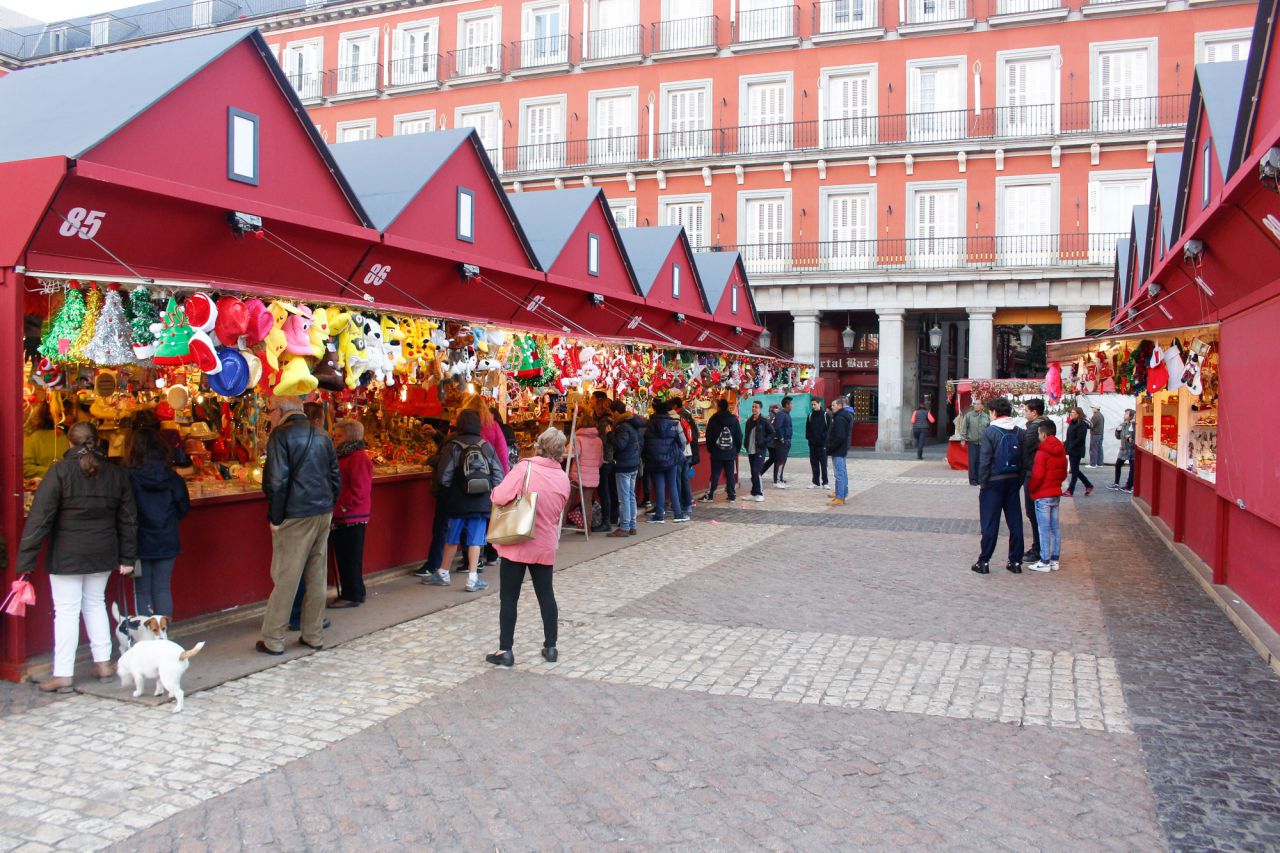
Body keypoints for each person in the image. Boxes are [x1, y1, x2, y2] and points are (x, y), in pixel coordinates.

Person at [19, 422, 137, 692]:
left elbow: (40, 518)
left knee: (67, 612)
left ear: (69, 443)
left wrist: (25, 561)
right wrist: (128, 557)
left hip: (67, 553)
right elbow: (129, 519)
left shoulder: (60, 471)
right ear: (97, 441)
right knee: (96, 604)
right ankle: (104, 663)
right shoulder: (115, 474)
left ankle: (63, 673)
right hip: (103, 550)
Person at [257, 396, 341, 656]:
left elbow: (277, 480)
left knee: (286, 578)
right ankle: (313, 634)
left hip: (295, 513)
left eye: (270, 410)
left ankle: (274, 638)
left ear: (280, 411)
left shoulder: (281, 435)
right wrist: (327, 503)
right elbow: (335, 476)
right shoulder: (322, 435)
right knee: (317, 576)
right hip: (321, 511)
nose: (269, 415)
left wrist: (276, 517)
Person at [485, 428, 573, 667]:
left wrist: (494, 493)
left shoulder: (526, 468)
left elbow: (501, 495)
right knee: (546, 595)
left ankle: (506, 650)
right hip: (544, 544)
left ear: (539, 445)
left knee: (509, 598)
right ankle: (551, 646)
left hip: (518, 541)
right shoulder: (563, 477)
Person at [424, 408, 504, 591]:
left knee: (452, 538)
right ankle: (473, 579)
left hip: (457, 502)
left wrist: (454, 489)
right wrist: (489, 491)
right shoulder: (486, 446)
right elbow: (499, 475)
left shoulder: (454, 446)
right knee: (476, 540)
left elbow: (444, 477)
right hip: (481, 502)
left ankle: (443, 573)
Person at [126, 428, 190, 617]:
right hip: (167, 538)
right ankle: (163, 636)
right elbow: (183, 507)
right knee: (162, 588)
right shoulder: (173, 478)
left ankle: (146, 640)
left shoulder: (128, 477)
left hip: (139, 541)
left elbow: (124, 511)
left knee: (142, 591)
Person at [973, 397, 1025, 575]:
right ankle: (1016, 561)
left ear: (994, 412)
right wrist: (1019, 481)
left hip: (994, 481)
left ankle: (984, 561)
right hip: (1013, 479)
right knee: (1015, 521)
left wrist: (983, 483)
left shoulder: (990, 431)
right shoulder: (1020, 431)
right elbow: (1024, 461)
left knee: (990, 522)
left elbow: (984, 460)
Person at [327, 418, 373, 608]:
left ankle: (351, 594)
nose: (335, 439)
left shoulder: (358, 458)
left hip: (351, 515)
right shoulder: (345, 456)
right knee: (346, 555)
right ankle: (355, 591)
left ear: (349, 437)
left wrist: (343, 507)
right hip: (344, 513)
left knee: (349, 556)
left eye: (339, 436)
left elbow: (359, 490)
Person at [1027, 420, 1067, 572]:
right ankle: (1054, 559)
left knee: (1043, 528)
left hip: (1043, 493)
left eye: (1038, 434)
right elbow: (1063, 472)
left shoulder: (1042, 452)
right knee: (1054, 528)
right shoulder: (1060, 449)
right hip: (1055, 492)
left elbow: (1037, 475)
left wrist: (1032, 489)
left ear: (1043, 434)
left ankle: (1044, 560)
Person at [643, 399, 687, 522]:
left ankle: (659, 515)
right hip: (671, 459)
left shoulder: (648, 425)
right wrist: (677, 452)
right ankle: (678, 514)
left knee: (659, 487)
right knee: (672, 485)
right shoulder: (675, 424)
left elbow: (643, 442)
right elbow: (683, 442)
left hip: (654, 459)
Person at [1020, 399, 1051, 563]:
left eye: (1026, 410)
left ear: (1034, 412)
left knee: (1033, 512)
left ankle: (1038, 549)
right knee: (1039, 513)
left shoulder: (1034, 428)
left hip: (1033, 472)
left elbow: (1025, 448)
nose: (1025, 413)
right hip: (1039, 471)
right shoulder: (1045, 424)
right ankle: (1040, 547)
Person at [609, 399, 643, 536]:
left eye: (612, 413)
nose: (611, 416)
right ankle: (632, 525)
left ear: (616, 412)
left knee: (624, 498)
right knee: (630, 496)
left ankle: (624, 527)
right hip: (633, 463)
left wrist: (609, 434)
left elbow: (620, 445)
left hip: (624, 465)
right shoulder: (632, 424)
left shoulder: (622, 426)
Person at [566, 414, 604, 531]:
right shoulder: (598, 440)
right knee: (587, 502)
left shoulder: (577, 438)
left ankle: (560, 524)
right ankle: (588, 528)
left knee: (568, 500)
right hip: (592, 475)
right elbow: (600, 461)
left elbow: (572, 453)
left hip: (576, 475)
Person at [703, 398, 743, 503]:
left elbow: (709, 436)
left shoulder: (713, 419)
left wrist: (711, 449)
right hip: (730, 452)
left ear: (719, 407)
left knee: (715, 473)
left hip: (717, 452)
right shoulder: (734, 419)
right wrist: (736, 450)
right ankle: (732, 495)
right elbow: (739, 436)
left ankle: (710, 495)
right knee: (730, 474)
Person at [592, 392, 618, 530]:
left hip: (605, 459)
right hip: (611, 458)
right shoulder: (611, 419)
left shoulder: (603, 422)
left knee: (604, 491)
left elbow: (601, 441)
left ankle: (606, 522)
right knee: (612, 490)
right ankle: (613, 517)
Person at [23, 401, 68, 479]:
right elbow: (25, 468)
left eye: (69, 414)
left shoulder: (73, 437)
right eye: (62, 414)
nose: (68, 418)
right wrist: (54, 472)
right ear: (50, 415)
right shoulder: (36, 437)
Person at [743, 400, 775, 503]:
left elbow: (772, 433)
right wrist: (746, 444)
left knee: (757, 472)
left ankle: (760, 493)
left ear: (760, 409)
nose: (754, 409)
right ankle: (754, 493)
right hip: (750, 450)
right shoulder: (749, 421)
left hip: (760, 450)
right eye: (753, 407)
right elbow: (747, 434)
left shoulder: (764, 421)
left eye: (756, 407)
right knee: (753, 472)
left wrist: (764, 442)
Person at [672, 397, 701, 512]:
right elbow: (695, 434)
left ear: (674, 406)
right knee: (684, 477)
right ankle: (688, 502)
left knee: (679, 478)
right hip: (690, 451)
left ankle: (680, 503)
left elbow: (684, 438)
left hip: (683, 451)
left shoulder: (679, 417)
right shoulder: (687, 415)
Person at [827, 397, 854, 505]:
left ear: (840, 405)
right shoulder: (841, 416)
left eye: (834, 405)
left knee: (839, 473)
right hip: (840, 449)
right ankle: (841, 493)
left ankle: (840, 497)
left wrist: (830, 448)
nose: (832, 407)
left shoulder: (840, 418)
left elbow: (839, 436)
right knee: (842, 472)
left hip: (838, 450)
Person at [761, 396, 793, 487]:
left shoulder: (785, 414)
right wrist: (781, 438)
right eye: (791, 404)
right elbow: (778, 427)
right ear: (787, 405)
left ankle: (779, 479)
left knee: (778, 460)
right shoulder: (781, 414)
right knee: (780, 461)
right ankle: (777, 480)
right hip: (780, 442)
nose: (792, 405)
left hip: (783, 441)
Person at [1064, 407, 1094, 496]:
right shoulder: (1072, 423)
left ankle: (1070, 490)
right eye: (1071, 412)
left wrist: (1070, 446)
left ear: (1078, 414)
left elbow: (1080, 439)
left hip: (1077, 450)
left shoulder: (1082, 425)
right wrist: (1065, 445)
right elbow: (1069, 437)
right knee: (1075, 469)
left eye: (1073, 412)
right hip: (1071, 449)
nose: (1071, 414)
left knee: (1074, 470)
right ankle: (1088, 484)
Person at [959, 400, 990, 486]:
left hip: (983, 443)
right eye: (975, 404)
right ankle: (972, 480)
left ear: (982, 406)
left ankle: (980, 479)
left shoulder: (986, 417)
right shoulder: (969, 415)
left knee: (981, 461)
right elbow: (964, 428)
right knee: (972, 462)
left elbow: (989, 429)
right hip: (972, 442)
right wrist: (963, 439)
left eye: (978, 404)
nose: (976, 405)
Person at [805, 397, 830, 489]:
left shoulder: (826, 415)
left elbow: (829, 429)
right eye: (812, 404)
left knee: (823, 464)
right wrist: (809, 439)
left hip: (822, 445)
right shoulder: (810, 415)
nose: (813, 406)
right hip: (812, 445)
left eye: (815, 404)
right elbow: (807, 429)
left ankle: (825, 482)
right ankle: (815, 482)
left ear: (819, 404)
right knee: (814, 463)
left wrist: (824, 439)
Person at [1112, 409, 1136, 492]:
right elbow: (1118, 437)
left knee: (1132, 468)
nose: (1124, 415)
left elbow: (1131, 435)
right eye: (1125, 413)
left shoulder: (1132, 425)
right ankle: (1116, 483)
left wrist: (1127, 436)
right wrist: (1117, 431)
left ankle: (1129, 485)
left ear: (1131, 416)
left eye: (1126, 414)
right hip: (1123, 449)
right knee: (1118, 465)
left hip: (1130, 449)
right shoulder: (1122, 424)